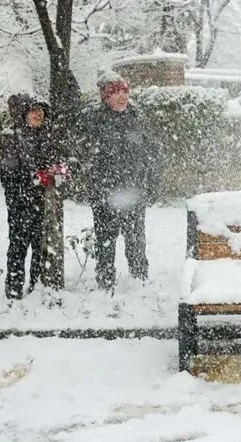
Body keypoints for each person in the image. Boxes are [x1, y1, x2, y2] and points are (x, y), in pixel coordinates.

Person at [77, 72, 158, 291]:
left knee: (136, 237)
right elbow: (84, 157)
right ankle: (105, 280)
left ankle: (139, 277)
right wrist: (97, 184)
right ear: (105, 96)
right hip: (106, 193)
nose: (122, 97)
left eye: (125, 91)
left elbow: (151, 152)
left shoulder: (136, 117)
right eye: (116, 92)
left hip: (133, 191)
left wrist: (149, 183)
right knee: (106, 238)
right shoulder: (93, 119)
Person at [0, 94, 56, 299]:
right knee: (19, 246)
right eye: (33, 111)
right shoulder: (10, 136)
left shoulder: (46, 134)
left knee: (40, 246)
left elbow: (52, 162)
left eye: (41, 111)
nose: (38, 115)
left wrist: (55, 172)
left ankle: (36, 285)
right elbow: (8, 172)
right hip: (20, 202)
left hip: (43, 201)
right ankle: (14, 289)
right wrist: (35, 179)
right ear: (23, 113)